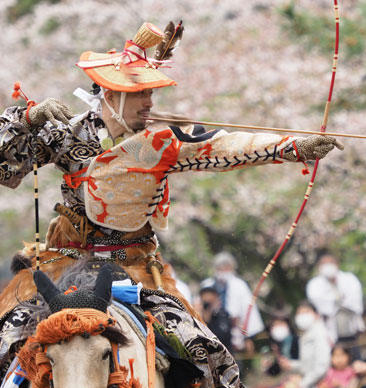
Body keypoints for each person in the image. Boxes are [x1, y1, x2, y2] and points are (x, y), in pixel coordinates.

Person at [0, 21, 342, 387]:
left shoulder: (161, 142)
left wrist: (292, 147)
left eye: (151, 93)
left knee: (205, 351)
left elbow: (225, 147)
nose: (149, 103)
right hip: (66, 266)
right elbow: (5, 164)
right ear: (112, 97)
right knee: (10, 339)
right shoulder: (67, 133)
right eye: (140, 94)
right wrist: (26, 119)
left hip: (135, 272)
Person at [200, 251, 265, 352]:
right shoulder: (207, 285)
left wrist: (248, 336)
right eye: (220, 268)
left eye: (226, 267)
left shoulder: (240, 285)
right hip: (211, 328)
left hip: (234, 330)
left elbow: (248, 310)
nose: (223, 271)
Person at [305, 251, 364, 346]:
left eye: (331, 262)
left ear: (337, 264)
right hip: (327, 327)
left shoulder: (350, 279)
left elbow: (353, 300)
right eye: (324, 263)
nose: (328, 266)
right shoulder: (314, 284)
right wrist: (337, 300)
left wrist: (337, 301)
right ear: (319, 267)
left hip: (350, 324)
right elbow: (319, 304)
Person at [278, 301, 331, 388]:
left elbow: (322, 366)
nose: (302, 316)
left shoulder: (319, 333)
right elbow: (307, 365)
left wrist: (302, 383)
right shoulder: (306, 334)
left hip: (318, 383)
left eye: (306, 312)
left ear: (317, 315)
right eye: (299, 313)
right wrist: (290, 364)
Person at [197, 286, 233, 353]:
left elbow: (220, 338)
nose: (207, 307)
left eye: (210, 302)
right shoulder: (196, 316)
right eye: (205, 303)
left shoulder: (223, 315)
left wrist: (208, 319)